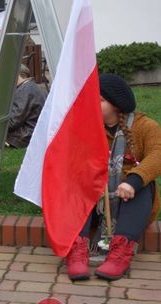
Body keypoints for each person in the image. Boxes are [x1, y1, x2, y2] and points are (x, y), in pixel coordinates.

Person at [65, 74, 161, 281]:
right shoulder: (87, 127)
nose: (92, 104)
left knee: (142, 187)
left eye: (99, 100)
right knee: (75, 186)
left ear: (116, 105)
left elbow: (157, 154)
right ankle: (77, 250)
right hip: (95, 200)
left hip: (127, 198)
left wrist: (133, 181)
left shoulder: (145, 126)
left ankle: (120, 253)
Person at [6, 65, 47, 148]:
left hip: (23, 137)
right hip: (33, 134)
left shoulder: (24, 90)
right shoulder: (32, 86)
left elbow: (13, 121)